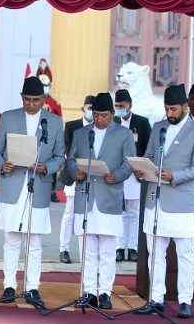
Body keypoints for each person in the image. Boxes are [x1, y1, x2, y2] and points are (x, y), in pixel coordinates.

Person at [0, 76, 65, 309]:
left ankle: (32, 288)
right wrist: (2, 164)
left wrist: (47, 167)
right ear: (21, 97)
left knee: (35, 242)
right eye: (27, 100)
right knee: (11, 239)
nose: (31, 104)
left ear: (44, 99)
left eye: (36, 100)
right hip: (13, 184)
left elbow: (61, 156)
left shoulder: (53, 122)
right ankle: (9, 286)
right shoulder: (9, 117)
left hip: (38, 187)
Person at [133, 84, 194, 319]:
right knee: (155, 253)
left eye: (173, 109)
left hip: (182, 205)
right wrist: (141, 169)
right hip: (155, 202)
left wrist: (175, 176)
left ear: (185, 107)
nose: (169, 113)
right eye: (166, 108)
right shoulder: (158, 128)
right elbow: (149, 156)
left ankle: (185, 301)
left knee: (186, 254)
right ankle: (156, 299)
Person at [64, 92, 135, 310]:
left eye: (104, 115)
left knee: (106, 250)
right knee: (87, 249)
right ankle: (88, 292)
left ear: (112, 114)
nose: (100, 119)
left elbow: (129, 163)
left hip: (109, 196)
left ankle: (104, 292)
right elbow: (71, 160)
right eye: (96, 115)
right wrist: (76, 171)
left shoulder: (123, 134)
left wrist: (117, 175)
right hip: (85, 198)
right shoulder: (81, 133)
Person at [113, 89, 151, 263]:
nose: (120, 108)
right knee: (120, 213)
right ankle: (119, 247)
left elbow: (149, 149)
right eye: (117, 106)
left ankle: (133, 248)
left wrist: (142, 167)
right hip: (120, 173)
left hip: (135, 174)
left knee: (134, 212)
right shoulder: (113, 122)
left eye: (122, 106)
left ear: (130, 106)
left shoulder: (142, 123)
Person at [58, 95, 95, 264]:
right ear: (83, 109)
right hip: (75, 175)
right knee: (70, 213)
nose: (91, 112)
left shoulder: (100, 127)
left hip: (93, 177)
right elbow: (67, 150)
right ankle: (64, 248)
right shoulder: (72, 126)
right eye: (89, 108)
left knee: (89, 214)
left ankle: (86, 252)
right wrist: (77, 167)